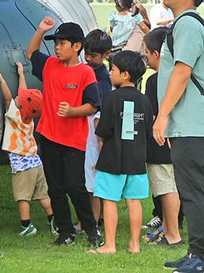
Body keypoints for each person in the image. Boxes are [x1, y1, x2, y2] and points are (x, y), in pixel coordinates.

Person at [152, 0, 204, 273]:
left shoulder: (188, 24)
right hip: (188, 125)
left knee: (193, 191)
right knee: (195, 189)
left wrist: (162, 115)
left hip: (189, 124)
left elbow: (182, 72)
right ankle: (197, 254)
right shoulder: (184, 23)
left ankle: (199, 258)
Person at [27, 17, 102, 247]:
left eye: (62, 43)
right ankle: (65, 232)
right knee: (55, 188)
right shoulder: (50, 65)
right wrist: (40, 30)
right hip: (48, 136)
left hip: (73, 140)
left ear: (76, 46)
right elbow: (31, 52)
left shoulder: (86, 73)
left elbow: (93, 105)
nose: (57, 48)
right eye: (56, 43)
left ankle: (91, 230)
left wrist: (71, 111)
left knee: (75, 187)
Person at [88, 50, 152, 255]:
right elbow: (148, 132)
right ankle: (134, 245)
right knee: (134, 201)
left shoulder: (112, 98)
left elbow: (103, 132)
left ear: (125, 74)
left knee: (109, 200)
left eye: (113, 69)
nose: (109, 73)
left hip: (112, 158)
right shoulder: (145, 101)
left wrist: (101, 151)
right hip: (137, 160)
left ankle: (110, 244)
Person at [0, 62, 56, 237]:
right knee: (43, 195)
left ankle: (27, 226)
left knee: (22, 196)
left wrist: (1, 80)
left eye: (18, 100)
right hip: (36, 162)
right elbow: (25, 95)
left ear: (20, 108)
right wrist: (21, 74)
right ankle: (53, 219)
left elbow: (7, 98)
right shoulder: (29, 118)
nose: (16, 98)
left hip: (22, 164)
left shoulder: (15, 116)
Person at [143, 27, 183, 247]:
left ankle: (173, 233)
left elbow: (153, 113)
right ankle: (167, 228)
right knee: (173, 186)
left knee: (166, 189)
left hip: (159, 141)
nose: (147, 59)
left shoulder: (154, 81)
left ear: (157, 54)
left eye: (147, 53)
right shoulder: (180, 76)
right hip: (179, 139)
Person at [83, 30, 113, 227]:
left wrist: (101, 142)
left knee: (91, 182)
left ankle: (91, 221)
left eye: (93, 55)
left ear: (106, 55)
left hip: (94, 131)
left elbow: (99, 111)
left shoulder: (101, 77)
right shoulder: (92, 71)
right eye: (86, 53)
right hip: (92, 130)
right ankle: (99, 216)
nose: (88, 58)